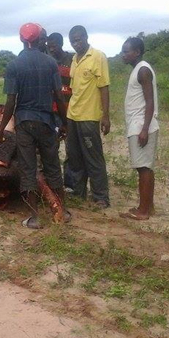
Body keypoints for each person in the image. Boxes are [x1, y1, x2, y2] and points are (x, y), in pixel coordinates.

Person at [0, 23, 69, 229]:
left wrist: (1, 130)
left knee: (28, 168)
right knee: (53, 166)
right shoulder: (50, 63)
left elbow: (11, 102)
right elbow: (59, 97)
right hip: (47, 121)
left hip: (25, 123)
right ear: (40, 39)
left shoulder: (14, 66)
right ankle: (61, 212)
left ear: (21, 39)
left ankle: (35, 217)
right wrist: (64, 123)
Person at [66, 25, 110, 208]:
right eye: (73, 41)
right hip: (72, 116)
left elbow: (104, 87)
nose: (76, 44)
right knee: (74, 157)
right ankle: (78, 192)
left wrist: (105, 116)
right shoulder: (74, 59)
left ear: (86, 37)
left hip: (89, 117)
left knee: (93, 157)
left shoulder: (98, 57)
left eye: (78, 39)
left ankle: (101, 196)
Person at [119, 37, 159, 220]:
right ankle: (147, 207)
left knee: (143, 168)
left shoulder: (142, 70)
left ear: (137, 52)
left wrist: (144, 129)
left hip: (141, 125)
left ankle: (142, 211)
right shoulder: (138, 69)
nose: (123, 54)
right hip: (139, 124)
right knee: (145, 168)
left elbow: (149, 101)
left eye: (127, 51)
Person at [48, 32, 76, 190]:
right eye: (49, 47)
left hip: (70, 110)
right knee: (52, 148)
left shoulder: (72, 60)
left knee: (71, 149)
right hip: (52, 111)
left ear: (61, 44)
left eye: (54, 46)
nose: (52, 49)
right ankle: (54, 183)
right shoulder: (47, 61)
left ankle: (70, 183)